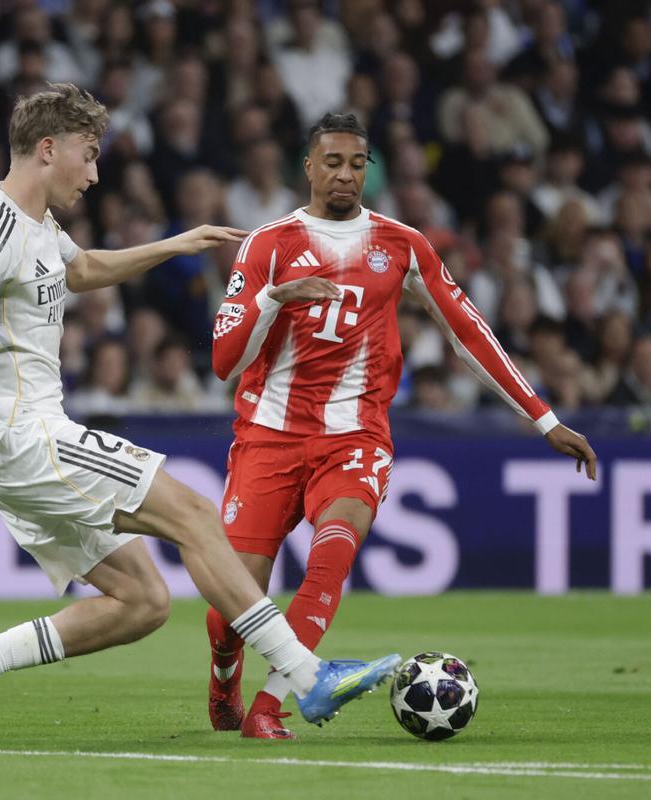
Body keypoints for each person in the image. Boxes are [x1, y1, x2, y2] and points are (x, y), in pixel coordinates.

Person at [0, 83, 400, 740]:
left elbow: (82, 269)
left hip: (18, 451)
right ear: (47, 148)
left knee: (143, 602)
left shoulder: (35, 224)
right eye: (87, 158)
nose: (93, 176)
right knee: (195, 514)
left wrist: (174, 244)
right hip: (25, 439)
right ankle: (308, 676)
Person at [207, 112, 599, 739]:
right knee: (232, 605)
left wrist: (542, 416)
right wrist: (276, 298)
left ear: (369, 170)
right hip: (268, 436)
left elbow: (467, 329)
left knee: (331, 556)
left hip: (355, 436)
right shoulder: (268, 245)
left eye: (357, 164)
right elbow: (225, 360)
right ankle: (224, 670)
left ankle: (269, 706)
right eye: (332, 162)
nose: (344, 175)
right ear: (308, 167)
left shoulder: (402, 243)